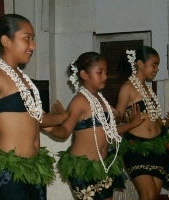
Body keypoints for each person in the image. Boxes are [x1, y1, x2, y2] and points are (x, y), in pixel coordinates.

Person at [0, 14, 69, 200]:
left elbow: (36, 118)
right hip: (9, 173)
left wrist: (63, 117)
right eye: (27, 39)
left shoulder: (22, 78)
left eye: (33, 39)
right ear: (6, 41)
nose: (33, 45)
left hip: (33, 168)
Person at [46, 52, 145, 200]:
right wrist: (51, 127)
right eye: (99, 72)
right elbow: (65, 131)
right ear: (84, 74)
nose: (104, 76)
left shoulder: (101, 100)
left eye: (106, 72)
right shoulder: (79, 101)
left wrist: (131, 124)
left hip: (103, 166)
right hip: (83, 169)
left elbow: (111, 132)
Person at [116, 46, 169, 200]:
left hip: (157, 147)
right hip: (136, 148)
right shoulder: (127, 88)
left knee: (154, 195)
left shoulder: (148, 88)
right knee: (149, 193)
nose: (157, 69)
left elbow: (153, 120)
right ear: (140, 63)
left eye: (157, 65)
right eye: (154, 64)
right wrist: (128, 119)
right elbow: (117, 117)